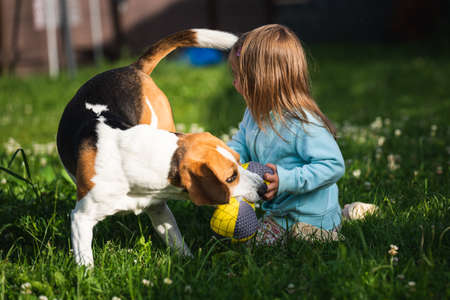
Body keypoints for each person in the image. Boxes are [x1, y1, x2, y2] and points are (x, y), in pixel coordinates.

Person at [227, 24, 375, 245]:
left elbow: (333, 165)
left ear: (263, 80)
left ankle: (331, 232)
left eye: (239, 76)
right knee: (245, 238)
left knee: (258, 244)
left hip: (312, 216)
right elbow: (241, 143)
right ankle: (351, 212)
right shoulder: (253, 113)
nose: (234, 82)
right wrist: (227, 160)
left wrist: (286, 180)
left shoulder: (302, 123)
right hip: (280, 212)